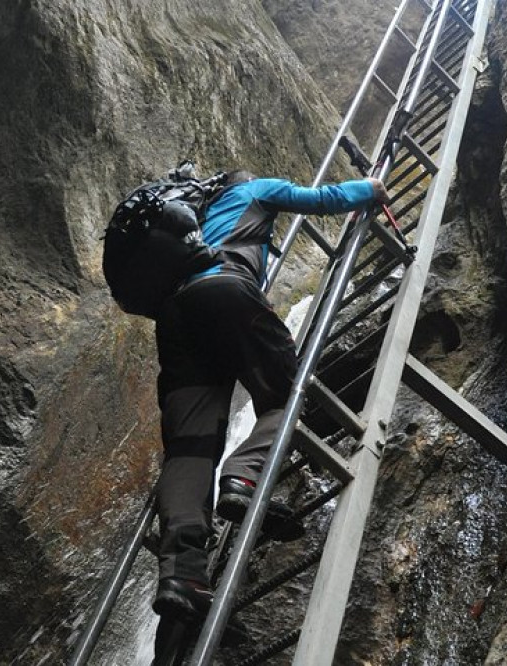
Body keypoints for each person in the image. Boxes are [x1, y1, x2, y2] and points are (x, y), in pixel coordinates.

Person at [150, 170, 390, 619]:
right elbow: (323, 197)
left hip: (176, 320)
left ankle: (181, 573)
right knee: (287, 397)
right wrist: (370, 190)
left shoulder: (189, 219)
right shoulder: (254, 189)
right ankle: (243, 476)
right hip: (227, 290)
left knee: (189, 451)